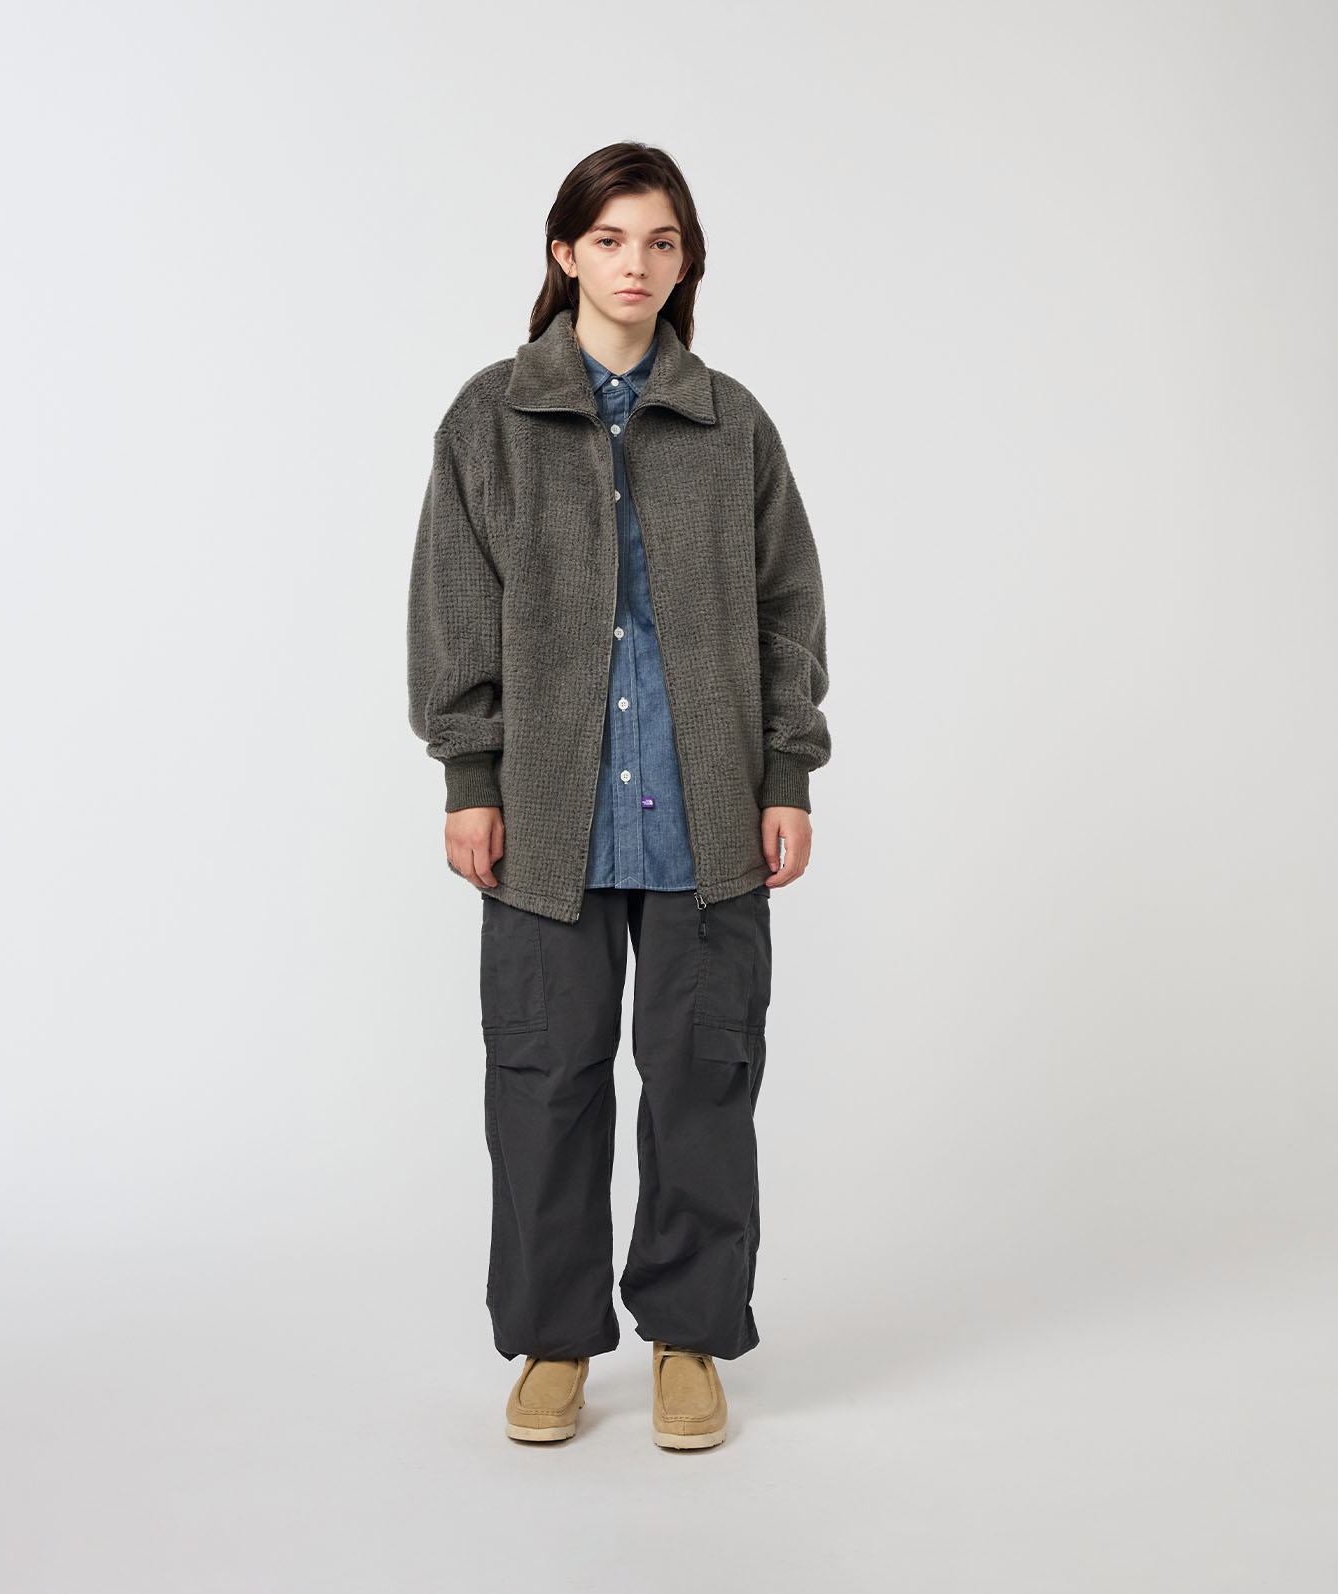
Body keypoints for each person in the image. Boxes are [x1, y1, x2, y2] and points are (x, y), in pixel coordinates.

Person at [406, 142, 831, 1449]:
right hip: (546, 818)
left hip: (708, 813)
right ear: (565, 254)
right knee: (544, 1080)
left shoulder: (731, 424)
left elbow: (787, 608)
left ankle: (687, 1336)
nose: (635, 264)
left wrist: (785, 771)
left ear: (685, 259)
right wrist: (471, 774)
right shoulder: (492, 419)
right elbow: (453, 605)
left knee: (703, 1078)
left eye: (660, 241)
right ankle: (552, 1341)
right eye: (609, 240)